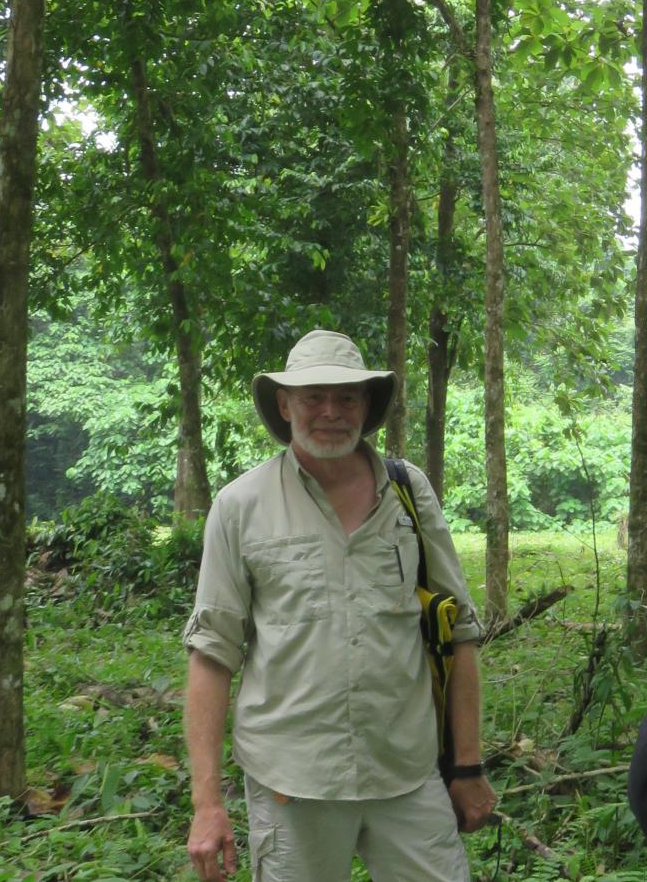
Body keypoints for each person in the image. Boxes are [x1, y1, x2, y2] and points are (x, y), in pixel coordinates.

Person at [183, 329, 496, 882]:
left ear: (367, 404)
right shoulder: (240, 506)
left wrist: (467, 766)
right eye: (312, 397)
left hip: (406, 771)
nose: (331, 412)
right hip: (292, 783)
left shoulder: (409, 493)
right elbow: (211, 655)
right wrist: (208, 804)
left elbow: (459, 632)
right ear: (284, 405)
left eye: (347, 397)